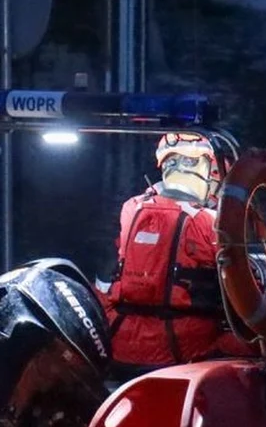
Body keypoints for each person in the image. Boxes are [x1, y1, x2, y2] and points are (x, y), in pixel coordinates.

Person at [98, 132, 252, 373]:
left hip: (121, 343)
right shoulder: (210, 223)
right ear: (205, 169)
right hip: (182, 350)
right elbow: (247, 294)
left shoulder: (131, 209)